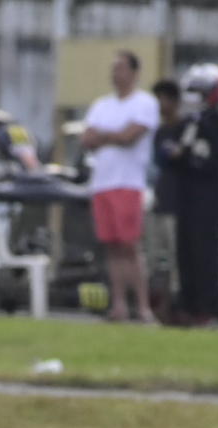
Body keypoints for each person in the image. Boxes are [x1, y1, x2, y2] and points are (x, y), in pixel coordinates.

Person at [81, 51, 159, 323]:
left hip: (127, 183)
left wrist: (106, 135)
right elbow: (87, 138)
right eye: (114, 68)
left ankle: (142, 305)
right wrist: (110, 136)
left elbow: (131, 136)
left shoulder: (144, 103)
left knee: (129, 245)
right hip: (102, 183)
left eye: (122, 68)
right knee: (112, 246)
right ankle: (118, 306)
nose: (116, 73)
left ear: (134, 72)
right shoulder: (102, 105)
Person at [161, 63, 218, 324]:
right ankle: (187, 305)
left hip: (207, 199)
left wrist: (188, 156)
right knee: (186, 253)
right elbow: (170, 158)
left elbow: (213, 162)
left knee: (205, 254)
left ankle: (206, 307)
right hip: (187, 198)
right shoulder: (187, 124)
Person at [149, 78, 183, 317]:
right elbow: (160, 160)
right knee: (151, 256)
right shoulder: (161, 132)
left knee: (175, 260)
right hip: (160, 198)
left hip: (177, 202)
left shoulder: (184, 128)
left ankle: (176, 305)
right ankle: (153, 304)